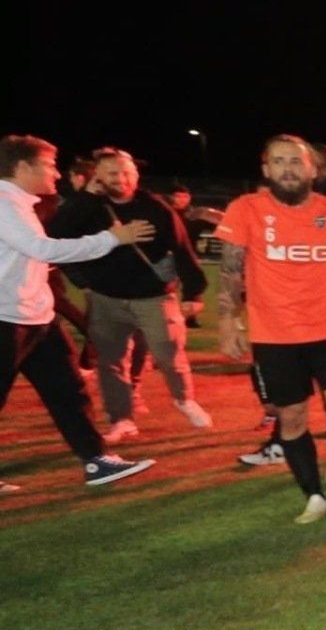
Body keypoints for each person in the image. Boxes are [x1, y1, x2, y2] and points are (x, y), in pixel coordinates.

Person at [214, 136, 326, 523]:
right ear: (266, 169)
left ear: (312, 170)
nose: (288, 168)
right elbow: (231, 270)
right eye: (279, 161)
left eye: (295, 161)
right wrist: (228, 320)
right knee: (292, 417)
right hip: (274, 335)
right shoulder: (245, 209)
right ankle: (314, 495)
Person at [1, 135, 159, 491]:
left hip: (36, 317)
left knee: (69, 390)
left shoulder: (21, 204)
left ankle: (96, 460)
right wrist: (113, 238)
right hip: (6, 319)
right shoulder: (3, 203)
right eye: (49, 165)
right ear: (23, 167)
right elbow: (42, 249)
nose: (56, 174)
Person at [46, 148, 212, 438]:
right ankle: (121, 418)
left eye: (126, 172)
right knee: (110, 361)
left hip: (154, 297)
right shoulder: (88, 206)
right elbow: (55, 233)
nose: (120, 179)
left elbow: (182, 249)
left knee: (168, 354)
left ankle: (184, 398)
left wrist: (193, 293)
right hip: (106, 297)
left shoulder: (155, 208)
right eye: (112, 173)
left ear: (136, 176)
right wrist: (86, 196)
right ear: (97, 176)